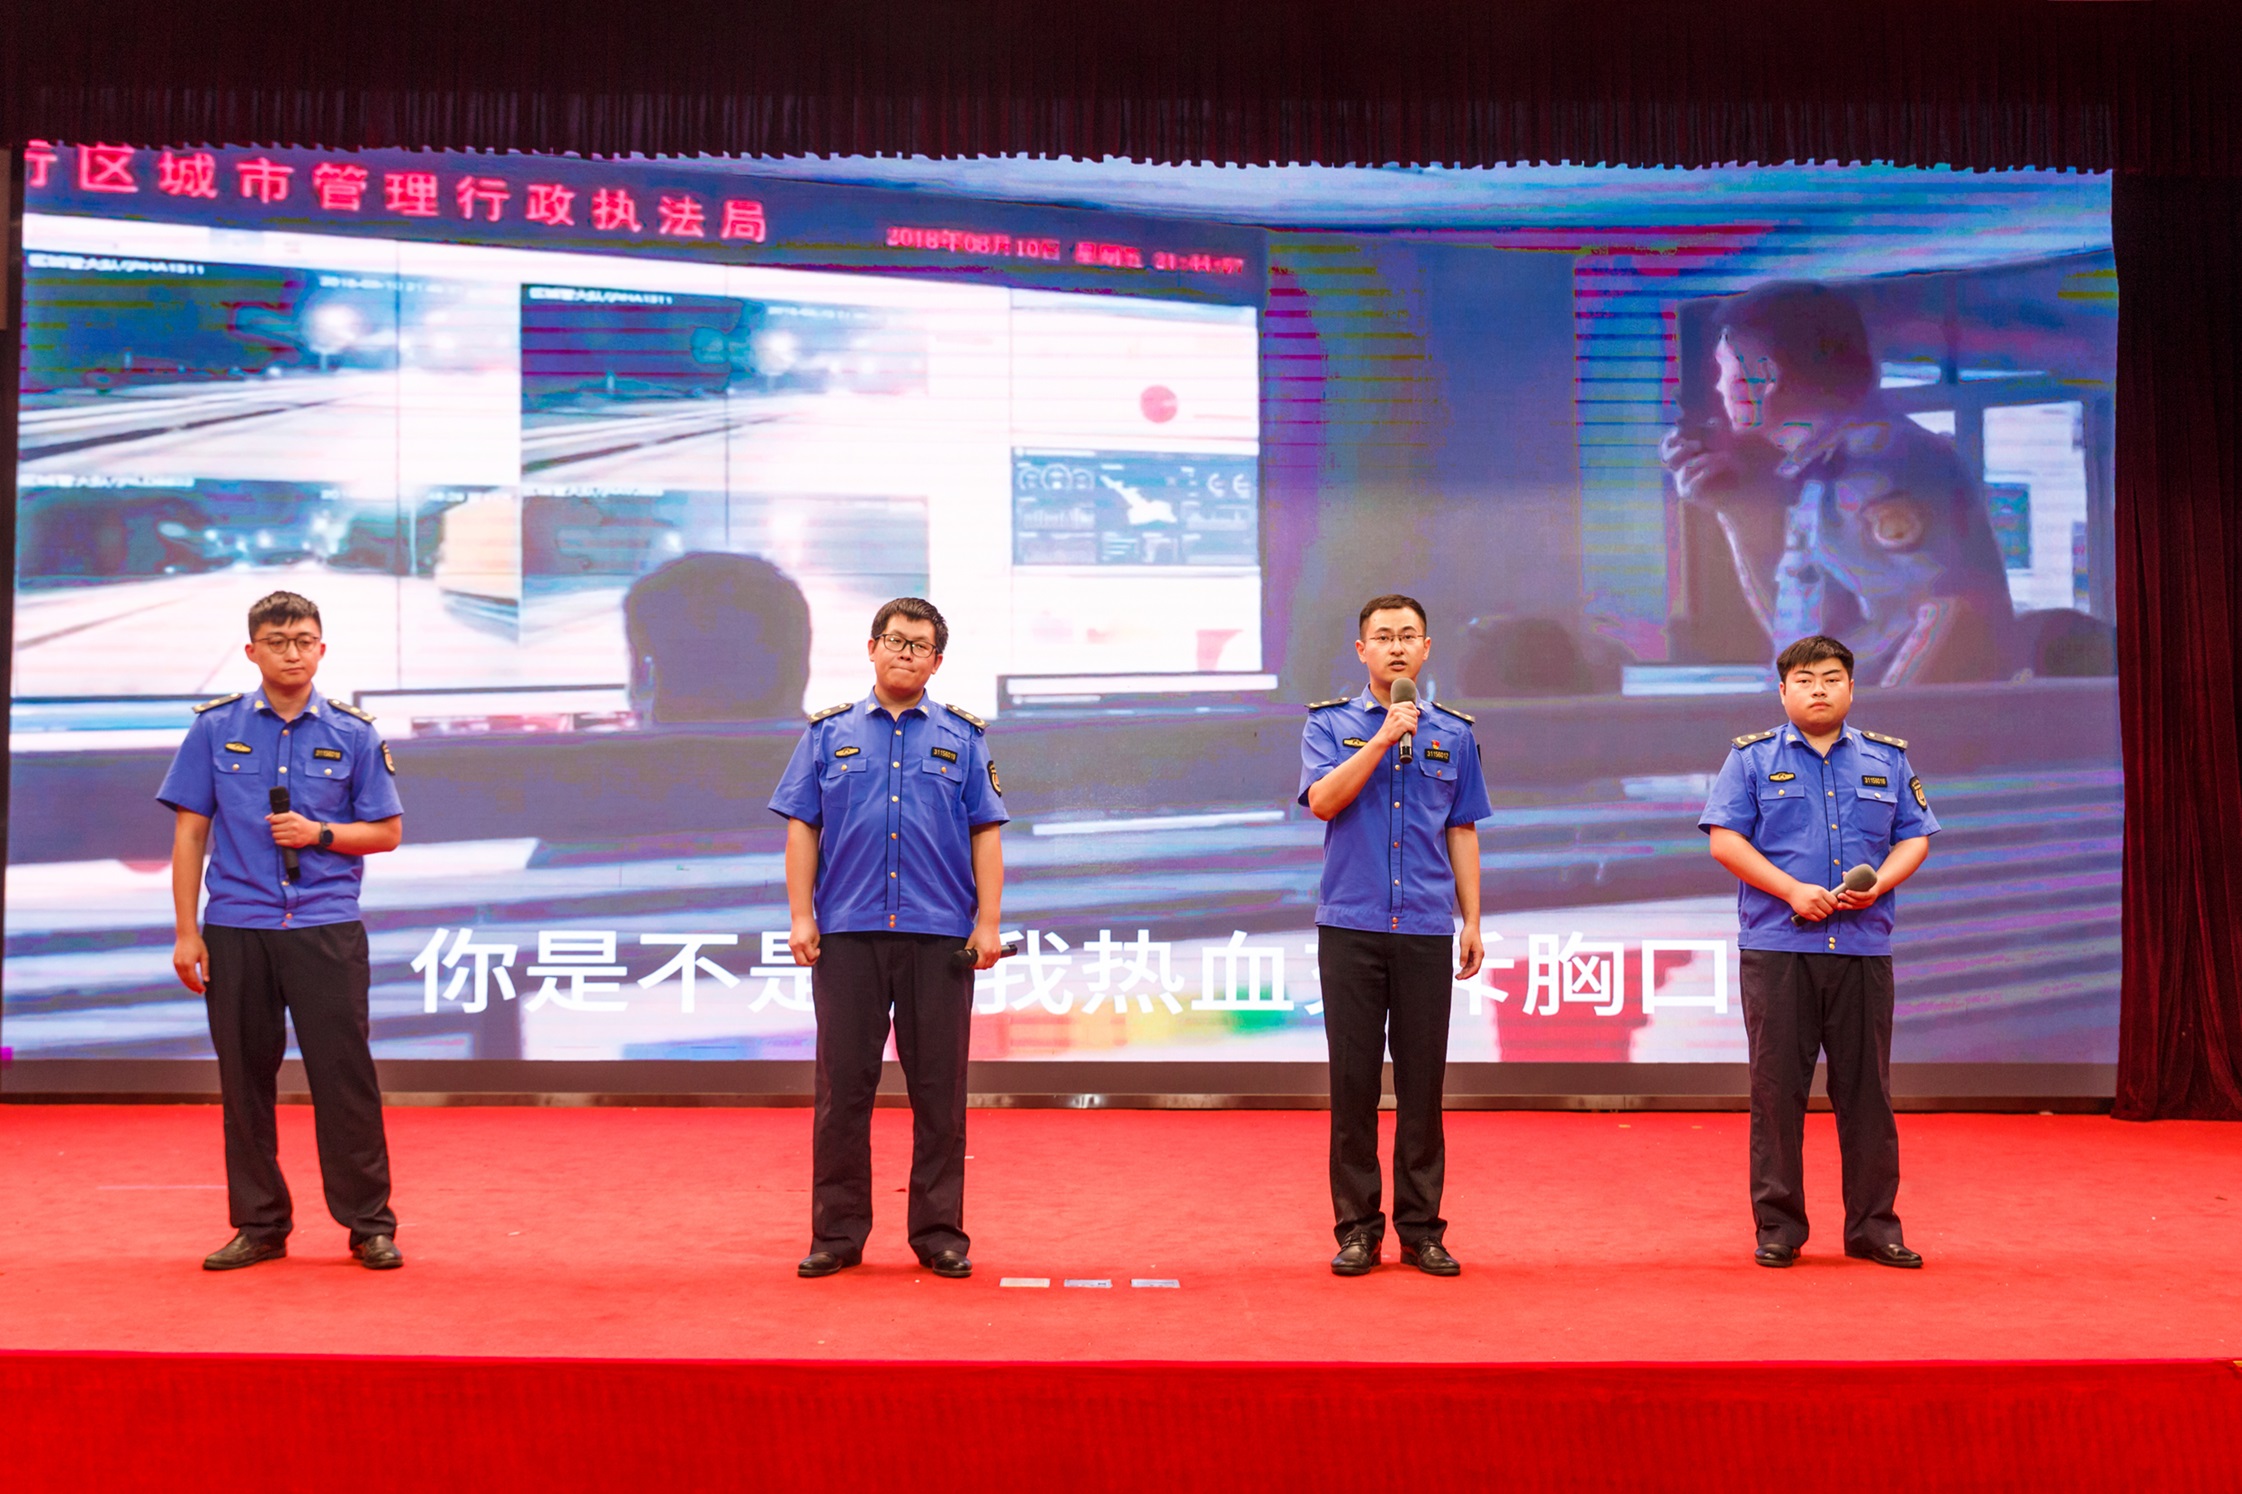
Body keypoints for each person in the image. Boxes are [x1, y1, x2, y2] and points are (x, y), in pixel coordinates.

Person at [159, 591, 406, 1271]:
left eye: (303, 641)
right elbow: (190, 834)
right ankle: (260, 1224)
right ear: (252, 651)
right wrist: (186, 931)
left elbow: (387, 832)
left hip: (325, 926)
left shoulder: (354, 733)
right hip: (237, 926)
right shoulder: (214, 729)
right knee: (244, 1083)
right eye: (277, 641)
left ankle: (369, 1225)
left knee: (344, 1080)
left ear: (321, 649)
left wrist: (318, 833)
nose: (291, 653)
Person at [768, 597, 1007, 1280]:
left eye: (919, 645)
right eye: (895, 640)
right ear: (872, 647)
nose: (906, 653)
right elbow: (802, 827)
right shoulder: (827, 734)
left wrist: (988, 923)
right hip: (847, 934)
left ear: (937, 661)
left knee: (940, 1094)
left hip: (940, 937)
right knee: (843, 1092)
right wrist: (802, 916)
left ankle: (939, 1235)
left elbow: (985, 833)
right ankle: (837, 1235)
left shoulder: (963, 737)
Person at [1698, 633, 1939, 1269]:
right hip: (1779, 946)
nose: (1819, 690)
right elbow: (1725, 840)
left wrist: (1878, 885)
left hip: (1863, 947)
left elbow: (1915, 837)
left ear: (1851, 688)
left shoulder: (1887, 759)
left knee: (1867, 1093)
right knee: (1777, 1093)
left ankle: (1874, 1228)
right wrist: (1791, 891)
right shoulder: (1750, 759)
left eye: (1831, 679)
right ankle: (1779, 1228)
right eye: (1804, 681)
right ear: (1783, 692)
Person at [1658, 279, 2016, 686]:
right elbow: (1800, 641)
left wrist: (1882, 725)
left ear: (1766, 377)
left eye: (1724, 369)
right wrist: (1734, 511)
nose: (1719, 387)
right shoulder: (1827, 471)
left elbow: (1952, 613)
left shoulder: (1876, 461)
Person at [1299, 594, 1489, 1277]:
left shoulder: (1454, 734)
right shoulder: (1329, 725)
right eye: (1383, 637)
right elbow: (1322, 801)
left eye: (1409, 636)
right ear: (1362, 651)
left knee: (1422, 1087)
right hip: (1350, 927)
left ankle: (1421, 1230)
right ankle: (1357, 1229)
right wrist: (1382, 738)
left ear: (1427, 648)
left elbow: (1462, 828)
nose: (1397, 647)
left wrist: (1472, 919)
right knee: (1353, 1086)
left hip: (1426, 927)